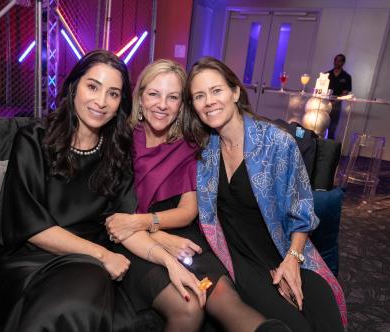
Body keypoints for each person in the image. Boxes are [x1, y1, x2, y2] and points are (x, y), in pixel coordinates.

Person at [0, 50, 162, 332]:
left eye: (113, 93)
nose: (100, 102)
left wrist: (169, 256)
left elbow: (124, 223)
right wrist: (102, 256)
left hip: (85, 265)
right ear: (74, 87)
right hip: (29, 261)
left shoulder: (118, 153)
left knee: (80, 299)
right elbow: (30, 226)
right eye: (93, 86)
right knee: (71, 301)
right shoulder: (33, 140)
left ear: (121, 101)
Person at [105, 59, 290, 332]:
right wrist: (158, 237)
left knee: (223, 296)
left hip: (180, 234)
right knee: (189, 305)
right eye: (154, 94)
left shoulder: (188, 144)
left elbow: (188, 211)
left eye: (173, 97)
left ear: (182, 105)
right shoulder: (120, 139)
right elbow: (116, 218)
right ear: (140, 98)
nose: (162, 104)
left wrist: (153, 227)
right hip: (131, 243)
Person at [185, 56, 348, 332]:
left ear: (235, 92)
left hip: (288, 251)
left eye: (216, 90)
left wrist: (292, 262)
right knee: (296, 326)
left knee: (327, 318)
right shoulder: (202, 154)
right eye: (199, 96)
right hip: (241, 260)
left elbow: (302, 211)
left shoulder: (277, 143)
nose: (209, 101)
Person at [326, 54, 352, 139]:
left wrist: (335, 101)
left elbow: (345, 92)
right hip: (325, 103)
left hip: (336, 105)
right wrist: (327, 101)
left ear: (343, 62)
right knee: (321, 125)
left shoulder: (346, 77)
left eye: (340, 61)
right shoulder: (326, 75)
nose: (337, 62)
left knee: (332, 128)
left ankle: (329, 148)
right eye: (336, 60)